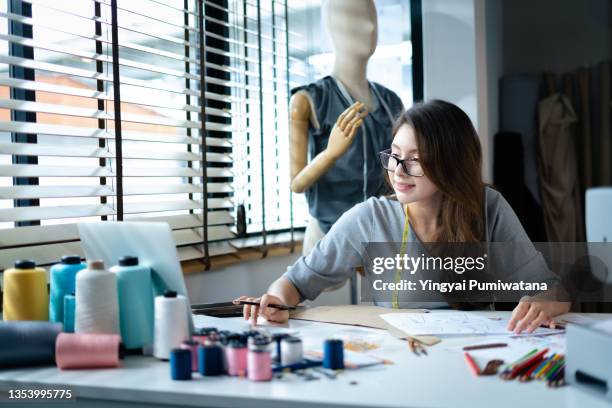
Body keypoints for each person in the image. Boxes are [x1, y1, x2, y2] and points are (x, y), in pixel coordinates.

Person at [235, 100, 571, 334]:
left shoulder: (488, 207)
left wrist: (540, 302)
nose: (398, 170)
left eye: (415, 160)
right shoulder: (370, 218)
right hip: (401, 359)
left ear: (451, 164)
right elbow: (295, 282)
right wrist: (276, 300)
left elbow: (551, 289)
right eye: (394, 156)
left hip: (475, 359)